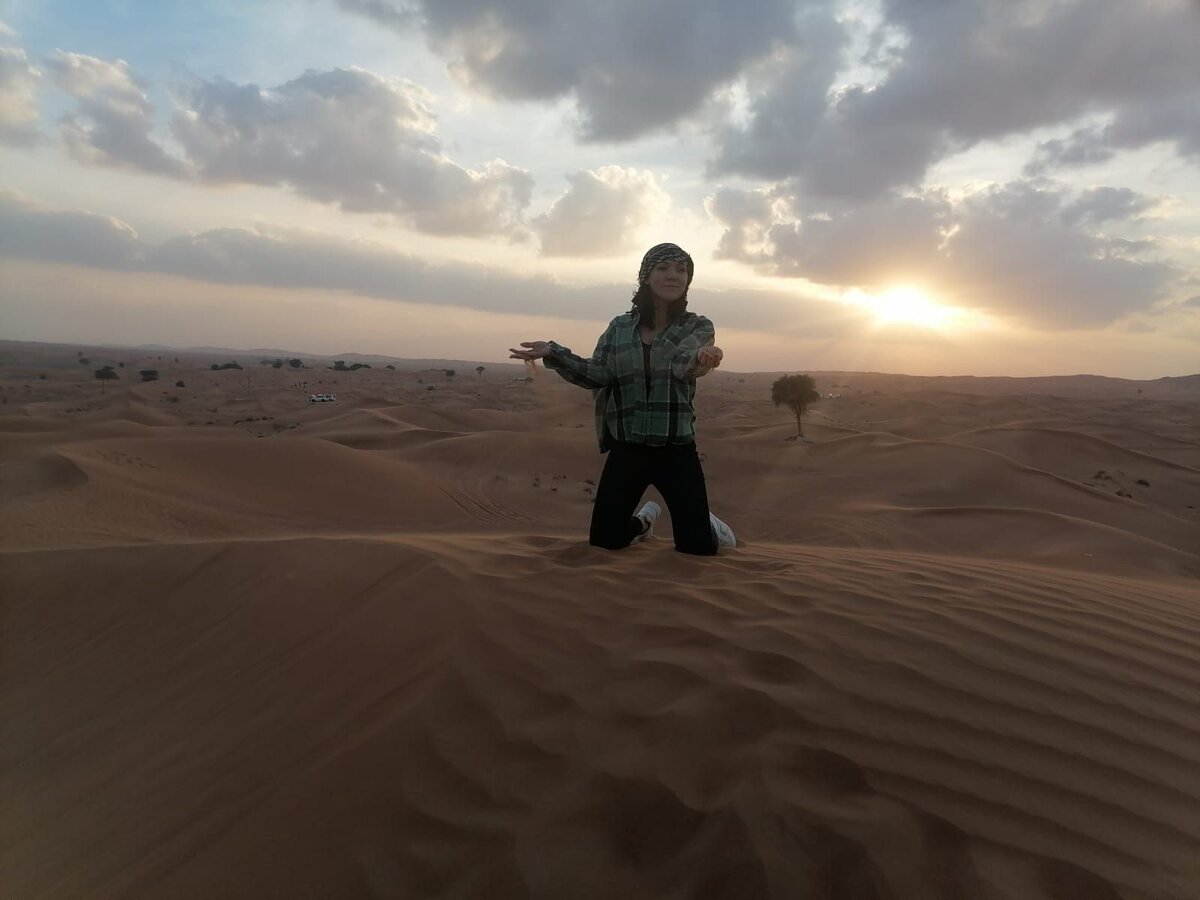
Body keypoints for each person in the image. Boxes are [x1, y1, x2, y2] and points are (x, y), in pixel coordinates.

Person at [509, 242, 736, 555]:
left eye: (681, 270)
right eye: (663, 268)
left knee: (696, 548)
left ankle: (711, 527)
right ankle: (642, 524)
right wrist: (554, 352)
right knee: (605, 540)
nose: (674, 276)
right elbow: (598, 373)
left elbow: (683, 364)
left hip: (676, 450)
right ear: (646, 276)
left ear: (688, 280)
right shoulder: (619, 328)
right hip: (628, 449)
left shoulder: (697, 326)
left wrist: (701, 356)